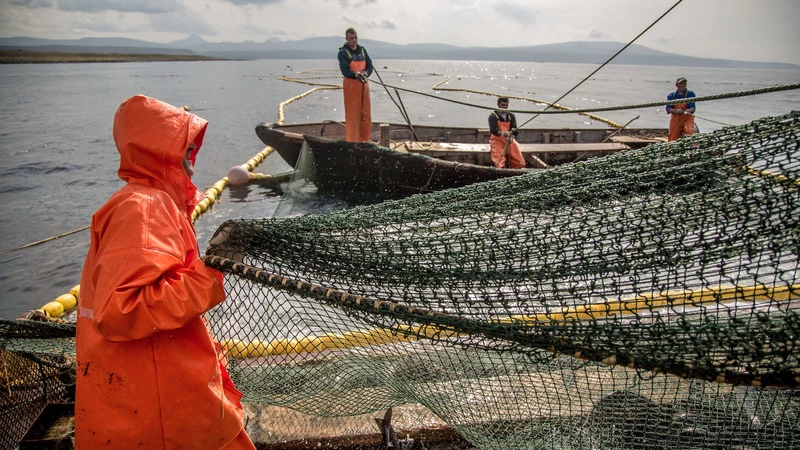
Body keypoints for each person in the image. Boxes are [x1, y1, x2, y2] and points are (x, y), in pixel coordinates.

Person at [75, 95, 255, 449]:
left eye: (192, 148)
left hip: (158, 396)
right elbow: (122, 310)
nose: (192, 159)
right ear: (158, 152)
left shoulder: (155, 202)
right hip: (161, 415)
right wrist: (212, 269)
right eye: (183, 148)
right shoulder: (141, 208)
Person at [338, 27, 373, 142]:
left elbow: (370, 66)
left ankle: (365, 142)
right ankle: (353, 143)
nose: (354, 40)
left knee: (366, 116)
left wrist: (366, 73)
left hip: (364, 88)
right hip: (351, 89)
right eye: (351, 38)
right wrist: (356, 75)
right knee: (353, 118)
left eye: (355, 37)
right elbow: (345, 71)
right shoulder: (343, 53)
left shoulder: (363, 50)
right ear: (347, 39)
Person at [488, 97, 526, 169]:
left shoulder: (511, 116)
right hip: (497, 140)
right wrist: (502, 133)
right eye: (503, 105)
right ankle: (502, 169)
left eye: (506, 105)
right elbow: (493, 130)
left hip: (509, 140)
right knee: (498, 158)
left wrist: (512, 136)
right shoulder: (493, 116)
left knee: (518, 159)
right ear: (498, 105)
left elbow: (515, 130)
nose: (505, 107)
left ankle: (517, 169)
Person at [666, 77, 697, 141]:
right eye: (681, 84)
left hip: (687, 118)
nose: (682, 85)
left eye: (684, 84)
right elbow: (668, 109)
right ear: (676, 85)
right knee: (673, 136)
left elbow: (693, 108)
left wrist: (689, 110)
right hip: (676, 119)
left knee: (689, 131)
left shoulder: (690, 94)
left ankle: (694, 147)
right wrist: (675, 111)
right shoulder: (671, 96)